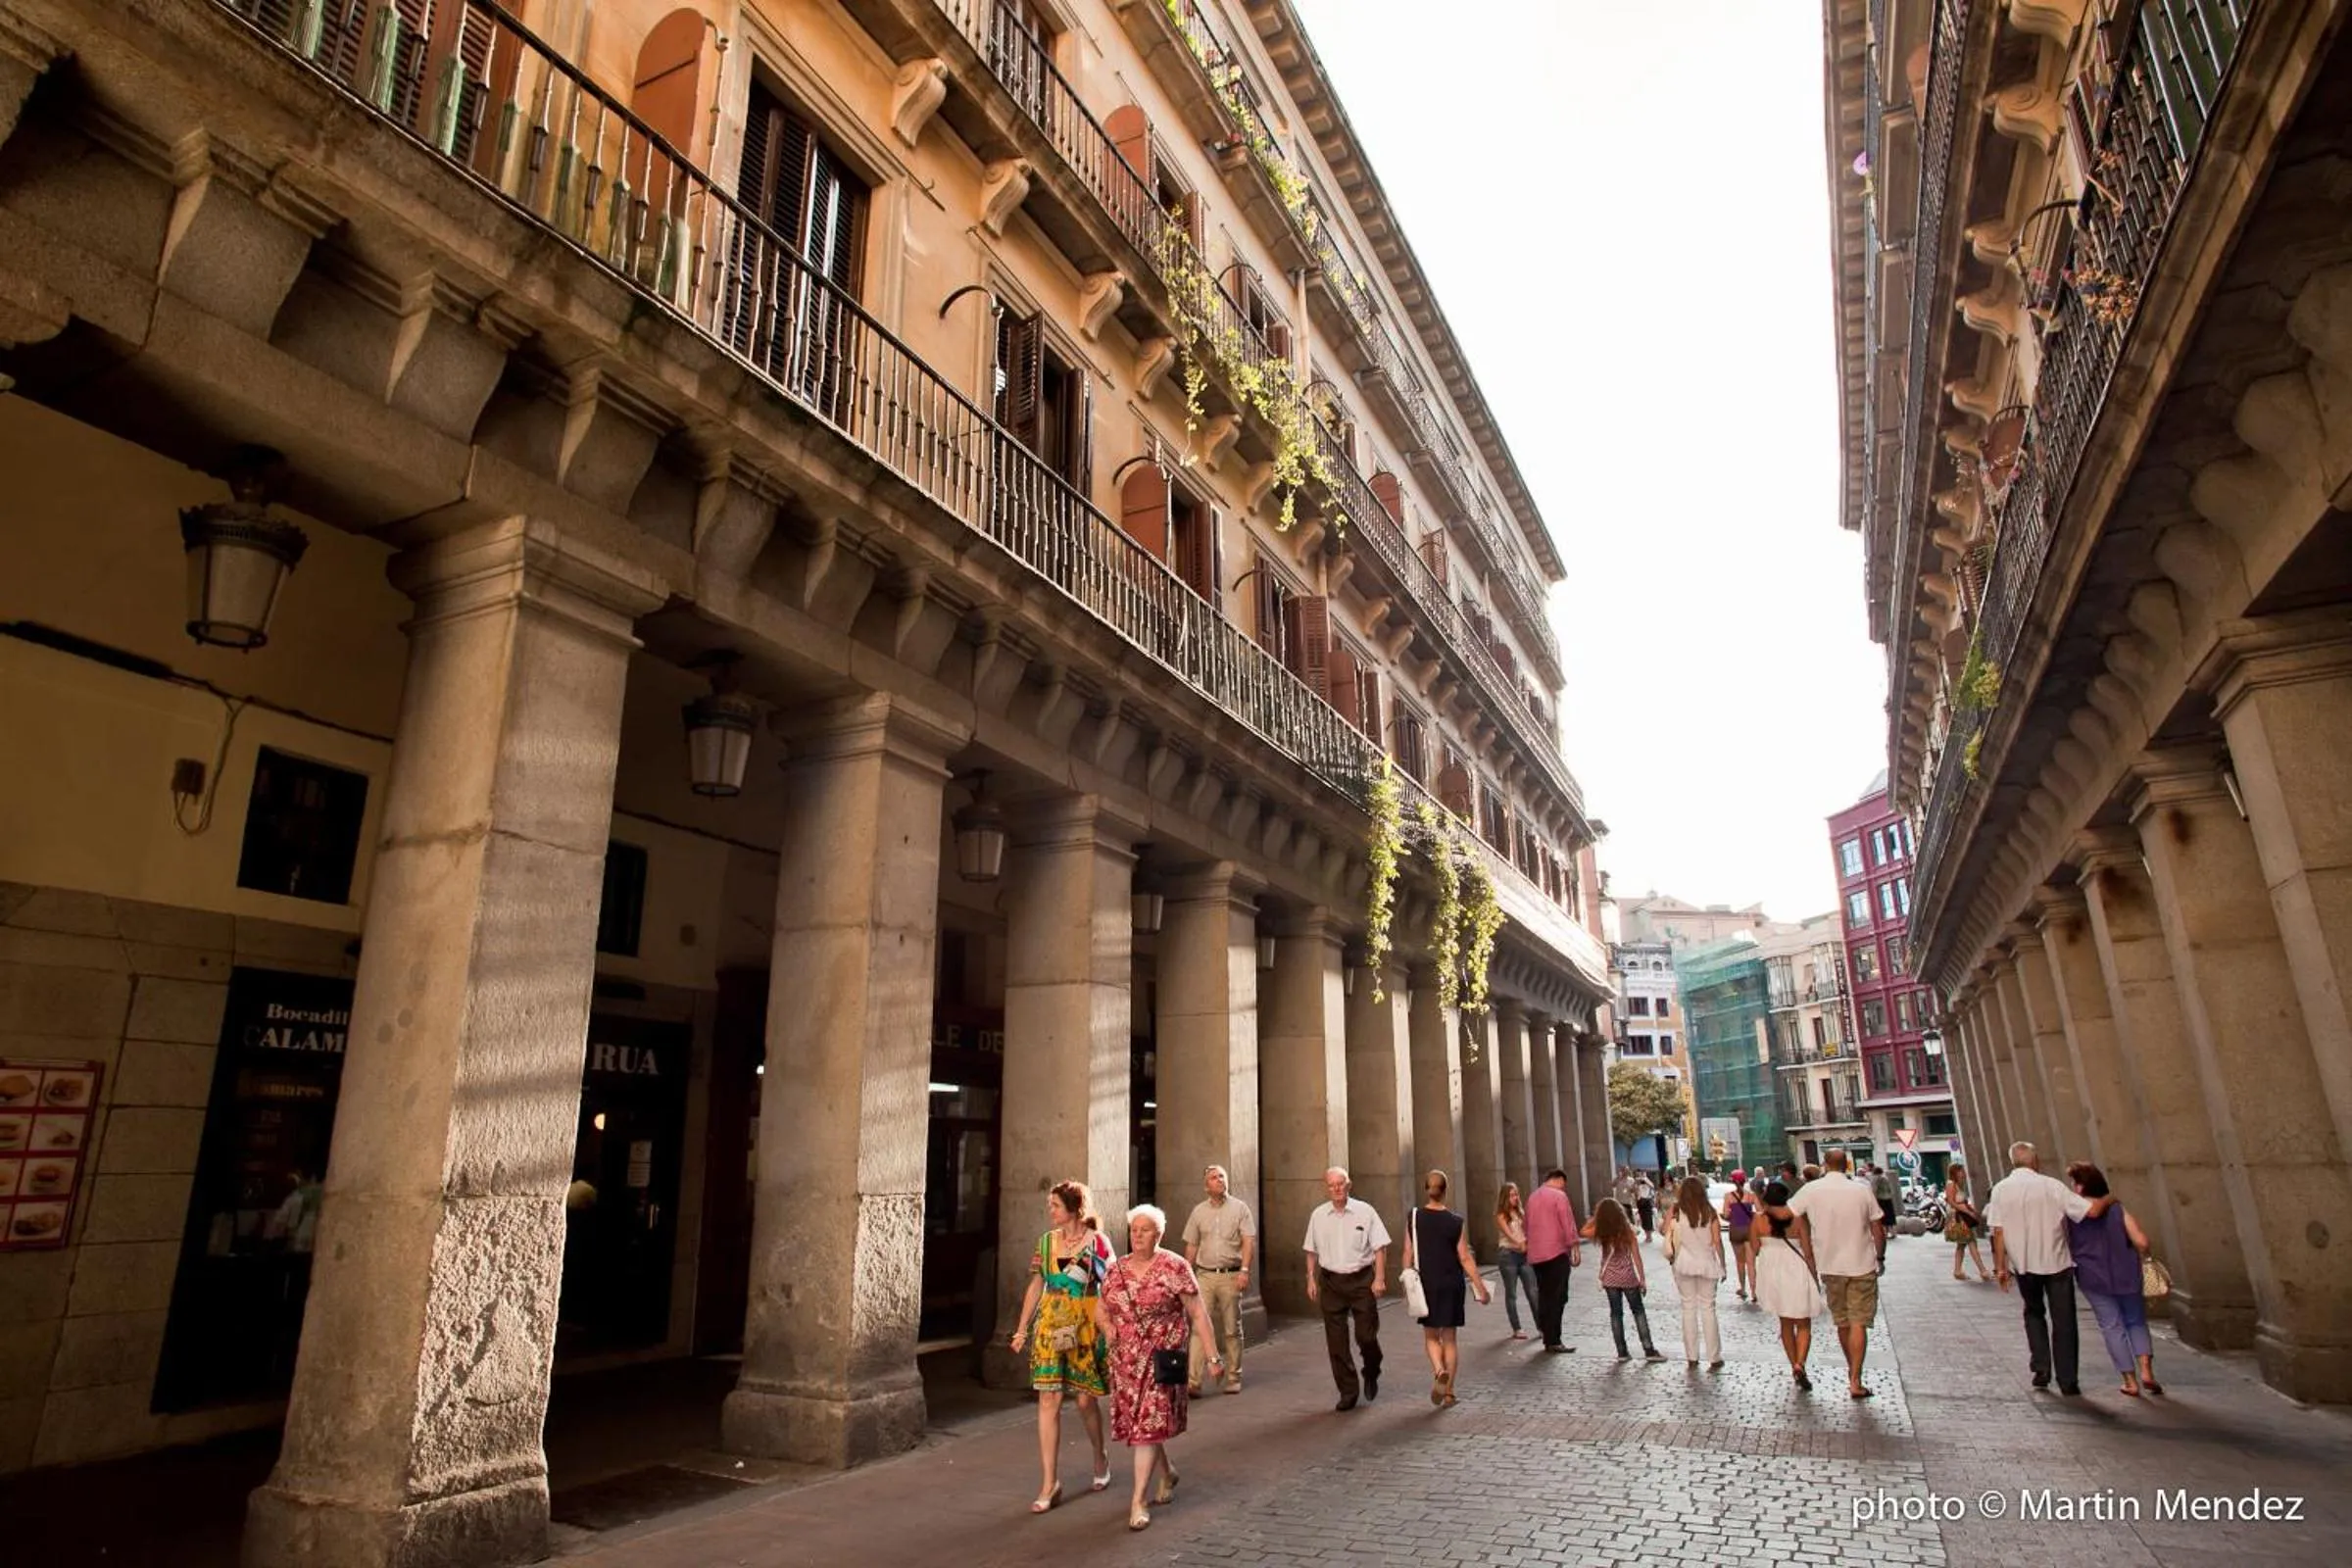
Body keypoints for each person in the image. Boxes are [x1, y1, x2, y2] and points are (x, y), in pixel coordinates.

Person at [1097, 1203, 1223, 1532]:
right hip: (1125, 1362)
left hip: (1163, 1358)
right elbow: (1101, 1309)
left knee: (1149, 1422)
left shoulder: (1175, 1266)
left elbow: (1198, 1313)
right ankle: (1167, 1473)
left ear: (1159, 1234)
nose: (1138, 1235)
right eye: (1134, 1230)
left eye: (1145, 1230)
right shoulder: (1116, 1270)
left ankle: (1138, 1501)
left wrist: (1212, 1357)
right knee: (1144, 1427)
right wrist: (1107, 1328)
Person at [1007, 1180, 1114, 1511]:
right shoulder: (1045, 1242)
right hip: (1050, 1326)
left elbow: (1110, 1287)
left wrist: (1110, 1328)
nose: (1050, 1210)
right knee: (1048, 1399)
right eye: (1050, 1205)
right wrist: (1021, 1328)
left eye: (1055, 1205)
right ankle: (1049, 1482)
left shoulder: (1098, 1243)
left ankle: (1100, 1455)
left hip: (1085, 1326)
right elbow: (1036, 1285)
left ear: (1074, 1208)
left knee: (1084, 1401)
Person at [1986, 1142, 2116, 1396]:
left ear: (2012, 1161)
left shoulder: (2000, 1189)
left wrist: (2001, 1268)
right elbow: (2090, 1212)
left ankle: (2041, 1369)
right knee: (2064, 1319)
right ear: (2035, 1160)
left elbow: (1998, 1231)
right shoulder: (2052, 1186)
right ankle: (2068, 1380)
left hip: (2024, 1264)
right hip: (2056, 1262)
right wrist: (2110, 1199)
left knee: (2033, 1313)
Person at [1787, 1150, 1886, 1398]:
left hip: (1830, 1265)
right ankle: (1855, 1379)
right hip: (1862, 1263)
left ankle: (1852, 1369)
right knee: (1858, 1322)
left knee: (1843, 1322)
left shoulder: (1812, 1190)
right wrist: (1880, 1257)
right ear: (1846, 1165)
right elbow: (1877, 1225)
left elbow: (1790, 1213)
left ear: (1824, 1164)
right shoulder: (1861, 1190)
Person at [2065, 1161, 2161, 1396]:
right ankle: (2147, 1371)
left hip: (2092, 1275)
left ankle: (2130, 1381)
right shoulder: (2118, 1209)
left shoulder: (2073, 1213)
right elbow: (2142, 1242)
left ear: (2080, 1186)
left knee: (2111, 1325)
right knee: (2136, 1321)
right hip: (2127, 1272)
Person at [1303, 1166, 1390, 1410]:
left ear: (1348, 1185)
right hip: (1331, 1282)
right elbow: (1310, 1250)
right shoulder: (1318, 1215)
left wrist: (1379, 1278)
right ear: (1326, 1188)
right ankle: (1348, 1391)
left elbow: (1380, 1247)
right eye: (1331, 1185)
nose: (1336, 1189)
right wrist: (1310, 1278)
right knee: (1336, 1342)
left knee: (1366, 1336)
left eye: (1340, 1184)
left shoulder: (1365, 1211)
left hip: (1361, 1281)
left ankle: (1372, 1368)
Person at [1402, 1170, 1490, 1405]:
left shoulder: (1414, 1217)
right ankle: (1449, 1392)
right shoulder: (1455, 1221)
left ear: (1426, 1189)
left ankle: (1439, 1370)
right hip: (1452, 1283)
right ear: (1445, 1191)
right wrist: (1480, 1286)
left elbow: (1408, 1252)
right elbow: (1464, 1257)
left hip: (1427, 1283)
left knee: (1431, 1335)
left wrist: (1408, 1281)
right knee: (1449, 1338)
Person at [1180, 1164, 1253, 1395]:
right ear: (1206, 1186)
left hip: (1231, 1275)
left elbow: (1248, 1240)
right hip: (1204, 1276)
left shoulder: (1240, 1208)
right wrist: (1185, 1277)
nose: (1220, 1180)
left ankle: (1233, 1377)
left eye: (1222, 1176)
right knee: (1198, 1329)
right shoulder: (1198, 1212)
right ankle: (1194, 1382)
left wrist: (1244, 1270)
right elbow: (1192, 1245)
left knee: (1232, 1328)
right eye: (1214, 1177)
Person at [1752, 1179, 1825, 1389]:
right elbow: (1808, 1253)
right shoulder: (1798, 1219)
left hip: (1773, 1274)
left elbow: (1755, 1249)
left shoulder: (1758, 1220)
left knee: (1785, 1322)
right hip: (1796, 1270)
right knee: (1803, 1323)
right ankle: (1801, 1363)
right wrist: (1815, 1277)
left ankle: (1793, 1364)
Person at [1581, 1198, 1663, 1359]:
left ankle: (1622, 1352)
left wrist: (1597, 1218)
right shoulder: (1627, 1231)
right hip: (1628, 1277)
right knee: (1638, 1312)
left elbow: (1583, 1231)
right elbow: (1636, 1257)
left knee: (1615, 1313)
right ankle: (1648, 1349)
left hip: (1610, 1279)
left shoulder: (1601, 1232)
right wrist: (1642, 1279)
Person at [1662, 1174, 1725, 1367]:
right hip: (1707, 1263)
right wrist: (1723, 1265)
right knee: (1708, 1309)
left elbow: (1664, 1230)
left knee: (1688, 1308)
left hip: (1683, 1263)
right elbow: (1717, 1241)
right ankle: (1714, 1356)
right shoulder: (1709, 1211)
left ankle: (1692, 1356)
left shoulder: (1676, 1210)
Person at [1524, 1166, 1584, 1352]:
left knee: (1544, 1295)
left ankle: (1547, 1335)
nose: (1563, 1188)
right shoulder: (1559, 1196)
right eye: (1563, 1184)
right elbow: (1567, 1222)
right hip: (1556, 1253)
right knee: (1558, 1296)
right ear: (1559, 1179)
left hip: (1536, 1255)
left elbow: (1526, 1225)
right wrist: (1574, 1246)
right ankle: (1554, 1338)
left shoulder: (1532, 1197)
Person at [1494, 1182, 1536, 1341]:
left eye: (1516, 1194)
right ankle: (1517, 1328)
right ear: (1505, 1197)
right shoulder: (1501, 1215)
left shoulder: (1521, 1212)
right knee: (1511, 1293)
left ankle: (1541, 1326)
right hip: (1508, 1255)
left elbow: (1528, 1229)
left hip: (1524, 1255)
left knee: (1532, 1291)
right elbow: (1509, 1234)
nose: (1515, 1198)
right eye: (1512, 1195)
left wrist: (1528, 1243)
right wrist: (1520, 1244)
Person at [1944, 1161, 1991, 1281]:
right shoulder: (1951, 1184)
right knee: (1971, 1242)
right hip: (1959, 1218)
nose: (1963, 1173)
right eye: (1960, 1171)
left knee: (1962, 1244)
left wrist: (1971, 1210)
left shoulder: (1958, 1185)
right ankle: (1983, 1271)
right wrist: (1967, 1211)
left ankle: (1958, 1270)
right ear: (1955, 1172)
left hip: (1962, 1216)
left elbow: (1960, 1201)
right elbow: (1951, 1201)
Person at [1723, 1180, 1758, 1302]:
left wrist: (1732, 1214)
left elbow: (1725, 1215)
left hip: (1736, 1231)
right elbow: (1760, 1212)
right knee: (1751, 1263)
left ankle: (1743, 1288)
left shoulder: (1728, 1196)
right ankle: (1754, 1292)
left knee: (1740, 1262)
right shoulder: (1751, 1195)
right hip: (1750, 1231)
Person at [1869, 1163, 1898, 1271]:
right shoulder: (1885, 1178)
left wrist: (1873, 1199)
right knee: (1890, 1217)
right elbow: (1891, 1190)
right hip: (1888, 1199)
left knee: (1882, 1218)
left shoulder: (1877, 1178)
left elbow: (1874, 1189)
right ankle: (1892, 1232)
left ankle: (1886, 1233)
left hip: (1881, 1200)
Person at [1634, 1172, 1657, 1240]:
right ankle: (1647, 1235)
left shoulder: (1647, 1181)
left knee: (1648, 1219)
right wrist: (1636, 1183)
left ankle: (1649, 1236)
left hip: (1647, 1201)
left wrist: (1645, 1180)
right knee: (1643, 1219)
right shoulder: (1638, 1182)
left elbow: (1652, 1186)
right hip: (1640, 1201)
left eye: (1642, 1174)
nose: (1641, 1176)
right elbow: (1635, 1191)